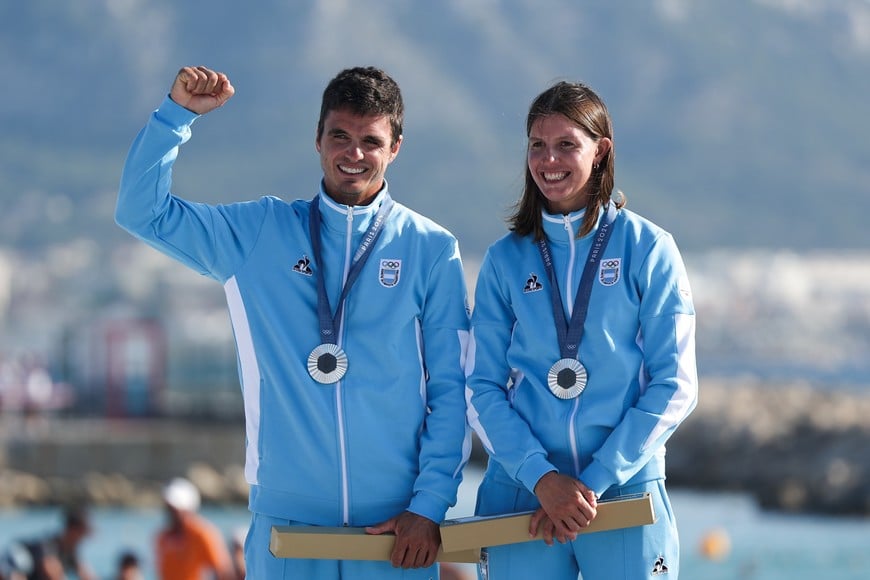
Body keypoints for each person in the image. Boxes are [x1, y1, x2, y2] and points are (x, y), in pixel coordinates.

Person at [116, 65, 471, 578]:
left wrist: (429, 507)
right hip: (288, 529)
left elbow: (452, 390)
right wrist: (176, 116)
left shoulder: (431, 250)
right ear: (318, 139)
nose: (354, 154)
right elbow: (140, 213)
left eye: (371, 141)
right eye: (339, 136)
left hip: (395, 530)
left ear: (395, 147)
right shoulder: (258, 233)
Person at [465, 80, 698, 579]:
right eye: (537, 145)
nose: (549, 160)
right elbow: (480, 386)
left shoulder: (649, 248)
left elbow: (675, 384)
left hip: (622, 494)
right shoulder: (505, 260)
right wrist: (542, 478)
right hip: (521, 496)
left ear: (601, 150)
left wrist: (589, 484)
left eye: (567, 144)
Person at [155, 477, 234, 580]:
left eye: (174, 509)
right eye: (169, 508)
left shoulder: (202, 534)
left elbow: (223, 572)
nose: (170, 512)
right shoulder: (162, 537)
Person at [18, 506, 96, 580]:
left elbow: (87, 575)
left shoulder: (71, 551)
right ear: (72, 530)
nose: (84, 538)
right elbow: (53, 575)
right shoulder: (47, 545)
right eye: (83, 532)